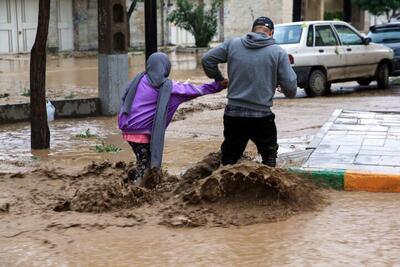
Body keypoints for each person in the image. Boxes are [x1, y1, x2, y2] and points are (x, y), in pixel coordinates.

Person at [118, 52, 227, 185]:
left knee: (142, 160)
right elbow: (195, 90)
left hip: (127, 128)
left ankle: (142, 185)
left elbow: (125, 99)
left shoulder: (138, 79)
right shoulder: (168, 87)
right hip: (142, 133)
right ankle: (134, 191)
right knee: (146, 167)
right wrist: (219, 85)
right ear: (165, 68)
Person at [202, 16, 297, 167]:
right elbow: (291, 88)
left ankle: (225, 188)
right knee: (269, 160)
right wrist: (280, 84)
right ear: (271, 33)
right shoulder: (278, 52)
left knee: (228, 161)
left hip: (233, 114)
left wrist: (219, 79)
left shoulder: (233, 44)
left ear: (253, 30)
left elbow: (207, 59)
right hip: (262, 117)